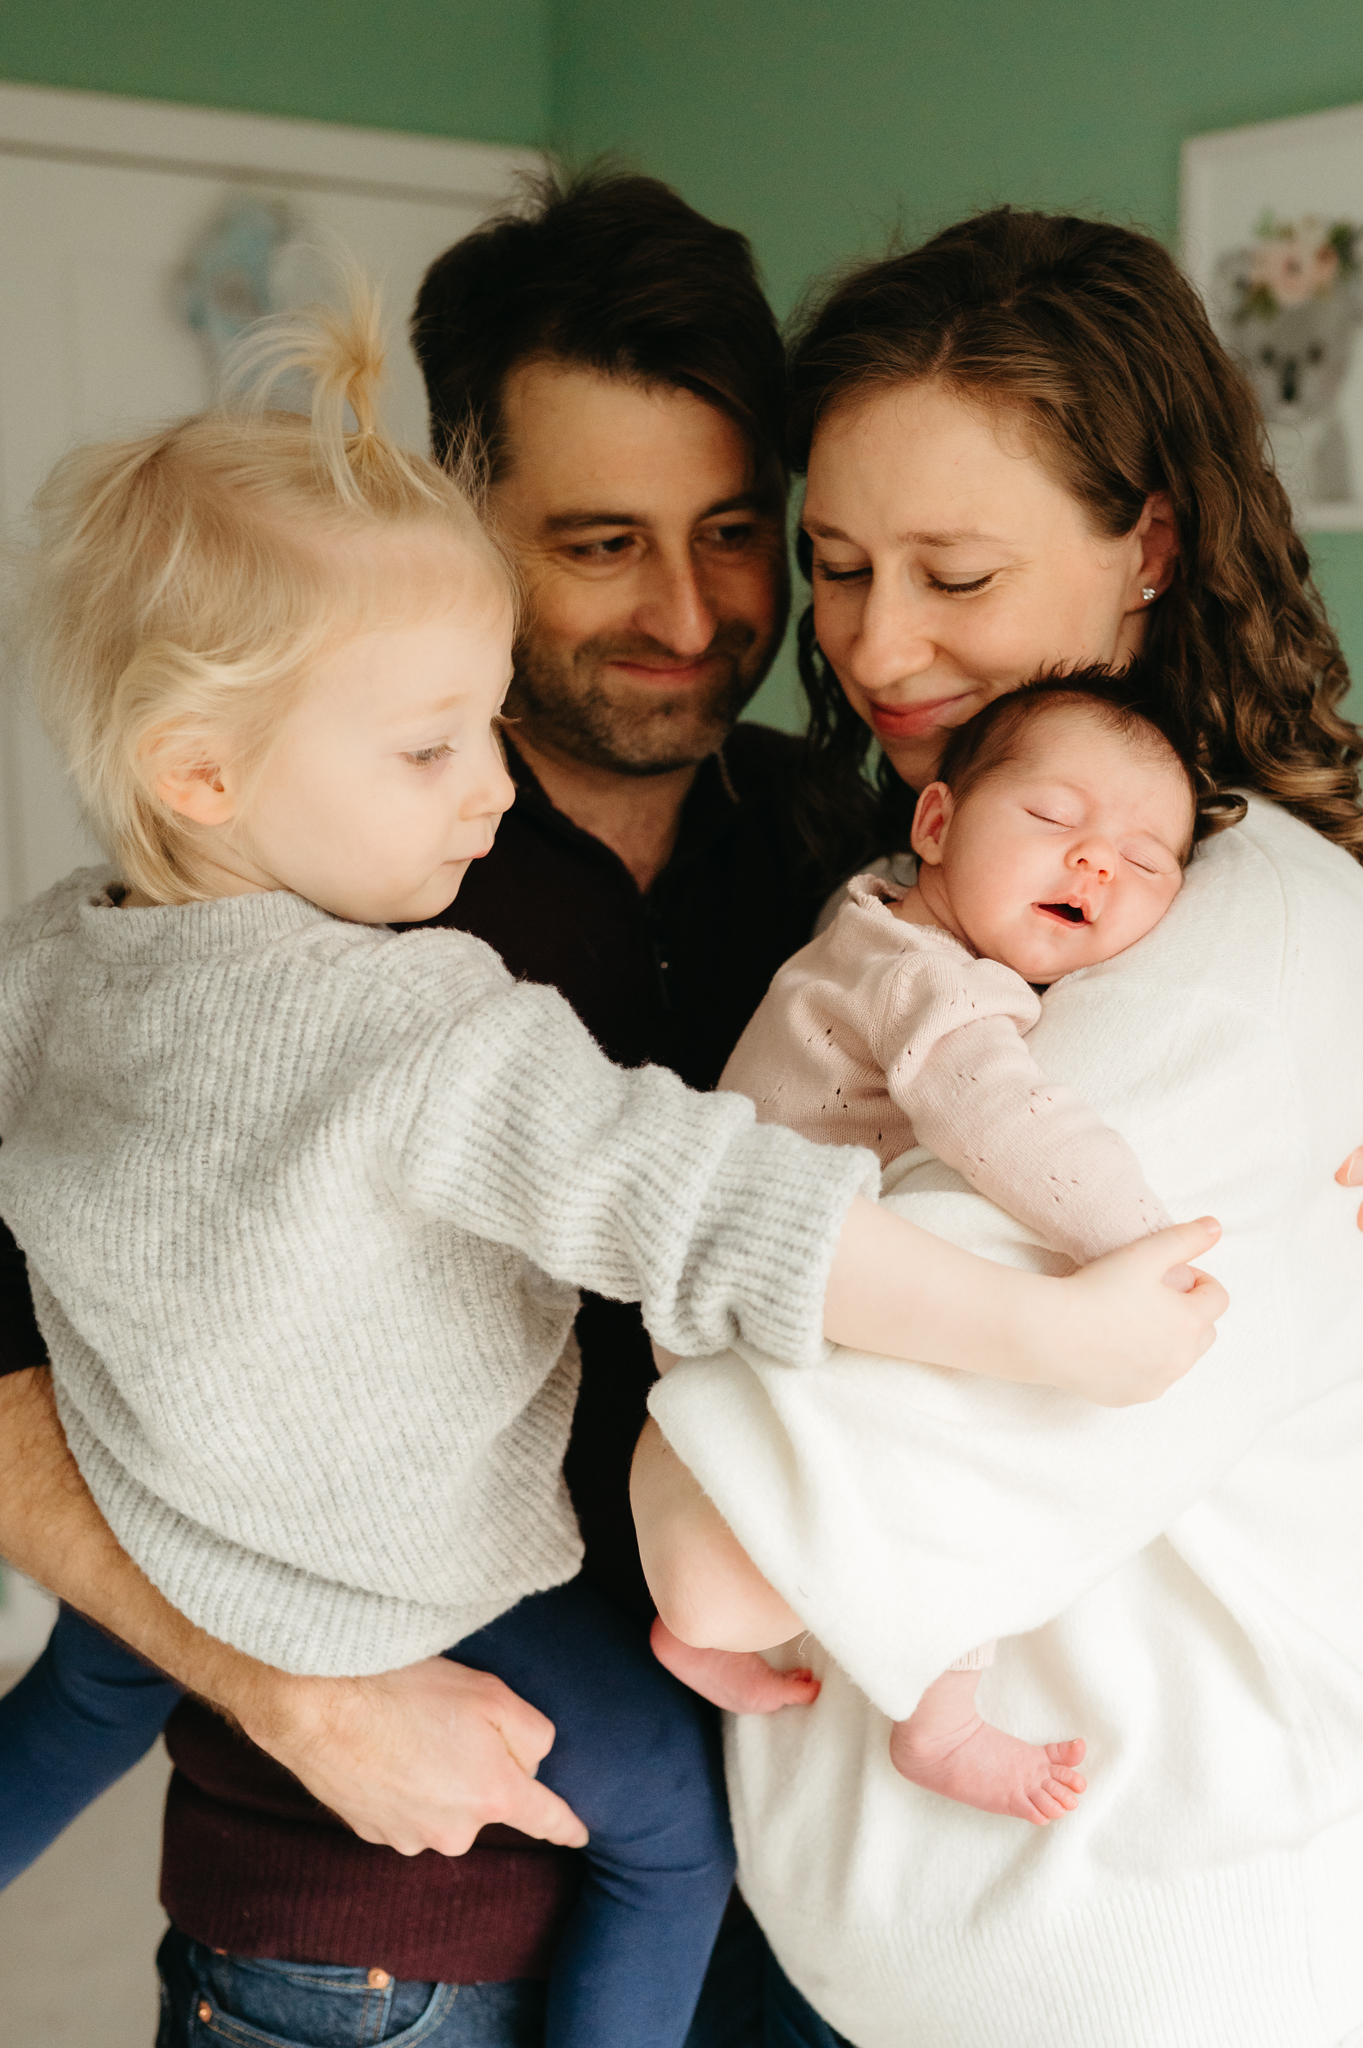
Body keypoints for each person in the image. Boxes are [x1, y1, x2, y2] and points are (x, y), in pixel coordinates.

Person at [0, 168, 816, 2041]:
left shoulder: (836, 851)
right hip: (361, 1923)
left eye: (733, 532)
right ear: (456, 512)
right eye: (601, 540)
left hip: (770, 1896)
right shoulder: (290, 895)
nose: (689, 612)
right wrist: (291, 1687)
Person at [632, 207, 1363, 2048]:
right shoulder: (920, 880)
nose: (875, 644)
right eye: (837, 562)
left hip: (1113, 1943)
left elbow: (739, 1539)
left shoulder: (1212, 947)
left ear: (1150, 547)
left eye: (953, 574)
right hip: (941, 1927)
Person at [656, 674, 1248, 1827]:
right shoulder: (924, 979)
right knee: (958, 1454)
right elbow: (1008, 1122)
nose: (1094, 865)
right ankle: (940, 1719)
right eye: (1052, 821)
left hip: (725, 1317)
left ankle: (689, 1634)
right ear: (934, 824)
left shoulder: (866, 920)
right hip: (777, 1304)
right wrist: (1142, 1239)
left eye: (1144, 860)